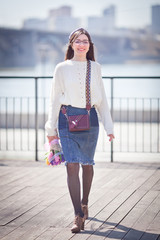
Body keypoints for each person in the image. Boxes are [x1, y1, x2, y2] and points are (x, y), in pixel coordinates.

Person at [45, 28, 114, 233]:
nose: (82, 44)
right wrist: (50, 128)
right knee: (71, 166)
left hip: (90, 119)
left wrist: (109, 126)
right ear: (71, 44)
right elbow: (54, 99)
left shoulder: (96, 67)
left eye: (85, 41)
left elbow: (102, 99)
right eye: (78, 41)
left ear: (90, 45)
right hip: (66, 119)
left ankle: (85, 202)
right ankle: (78, 215)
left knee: (88, 165)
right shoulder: (61, 68)